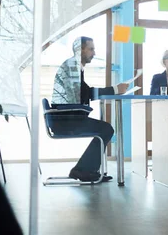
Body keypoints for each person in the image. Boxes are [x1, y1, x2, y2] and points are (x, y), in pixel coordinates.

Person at [51, 36, 128, 183]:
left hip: (65, 117)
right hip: (65, 119)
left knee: (105, 129)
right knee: (106, 129)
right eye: (91, 49)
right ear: (80, 50)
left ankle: (87, 170)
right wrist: (115, 89)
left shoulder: (74, 66)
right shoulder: (72, 66)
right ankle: (82, 170)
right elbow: (84, 93)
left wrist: (114, 89)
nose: (94, 52)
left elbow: (84, 91)